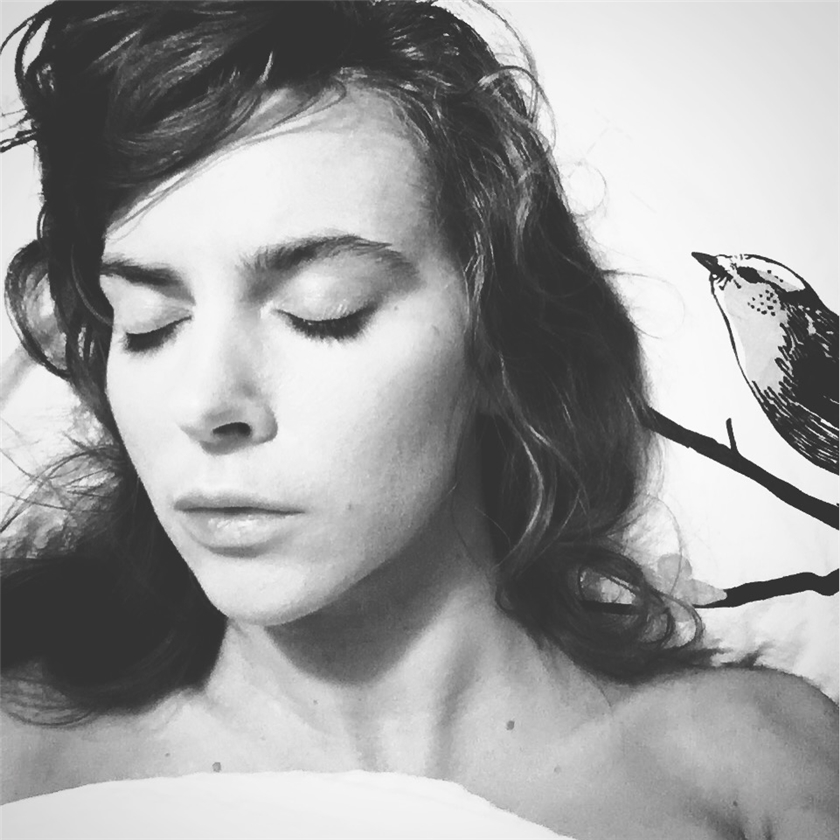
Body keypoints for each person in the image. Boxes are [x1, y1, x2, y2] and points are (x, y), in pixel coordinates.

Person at [0, 2, 836, 837]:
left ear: (498, 347)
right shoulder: (22, 766)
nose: (204, 402)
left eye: (324, 312)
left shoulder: (748, 766)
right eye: (147, 324)